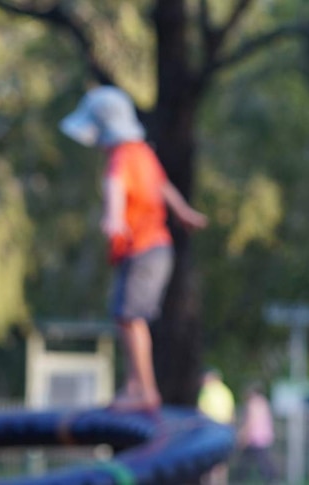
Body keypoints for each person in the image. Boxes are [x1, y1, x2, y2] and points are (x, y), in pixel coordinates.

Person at [59, 85, 208, 412]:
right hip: (151, 250)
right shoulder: (142, 151)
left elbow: (115, 187)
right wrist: (183, 212)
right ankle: (133, 385)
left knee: (130, 317)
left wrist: (113, 218)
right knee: (124, 316)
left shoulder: (120, 157)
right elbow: (163, 185)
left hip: (144, 249)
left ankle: (145, 391)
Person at [233, 383, 279, 483]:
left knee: (257, 460)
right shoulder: (263, 402)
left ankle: (271, 478)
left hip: (254, 437)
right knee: (254, 459)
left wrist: (242, 434)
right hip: (264, 435)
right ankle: (271, 478)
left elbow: (250, 421)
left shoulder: (252, 404)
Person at [198, 368, 235, 485]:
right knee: (221, 464)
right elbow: (232, 414)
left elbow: (200, 411)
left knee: (209, 464)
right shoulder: (226, 391)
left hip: (210, 430)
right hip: (225, 430)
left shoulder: (206, 390)